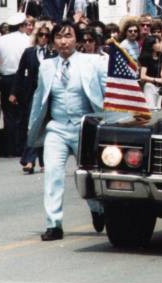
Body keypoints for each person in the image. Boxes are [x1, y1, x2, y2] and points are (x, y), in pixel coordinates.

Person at [27, 22, 107, 241]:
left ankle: (97, 208)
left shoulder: (93, 62)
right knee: (52, 174)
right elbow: (39, 97)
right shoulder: (46, 65)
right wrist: (32, 129)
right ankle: (54, 224)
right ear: (53, 41)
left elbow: (106, 94)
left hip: (85, 127)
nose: (64, 41)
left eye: (68, 36)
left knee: (89, 174)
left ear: (77, 40)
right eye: (59, 37)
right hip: (58, 127)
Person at [10, 23, 55, 173]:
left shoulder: (53, 53)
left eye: (46, 35)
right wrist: (14, 92)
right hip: (32, 94)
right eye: (41, 34)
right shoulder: (29, 52)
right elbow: (20, 72)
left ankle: (43, 161)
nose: (43, 38)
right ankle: (29, 160)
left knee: (46, 127)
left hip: (49, 94)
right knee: (33, 125)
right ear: (36, 36)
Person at [0, 12, 30, 157]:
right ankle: (22, 147)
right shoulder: (26, 40)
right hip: (23, 78)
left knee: (9, 114)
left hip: (6, 79)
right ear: (21, 26)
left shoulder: (1, 40)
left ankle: (11, 148)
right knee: (23, 112)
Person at [139, 36, 162, 109]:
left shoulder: (160, 55)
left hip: (160, 87)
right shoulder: (146, 58)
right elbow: (142, 76)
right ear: (151, 45)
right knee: (151, 108)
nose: (159, 44)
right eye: (156, 43)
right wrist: (156, 80)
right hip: (150, 86)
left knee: (159, 108)